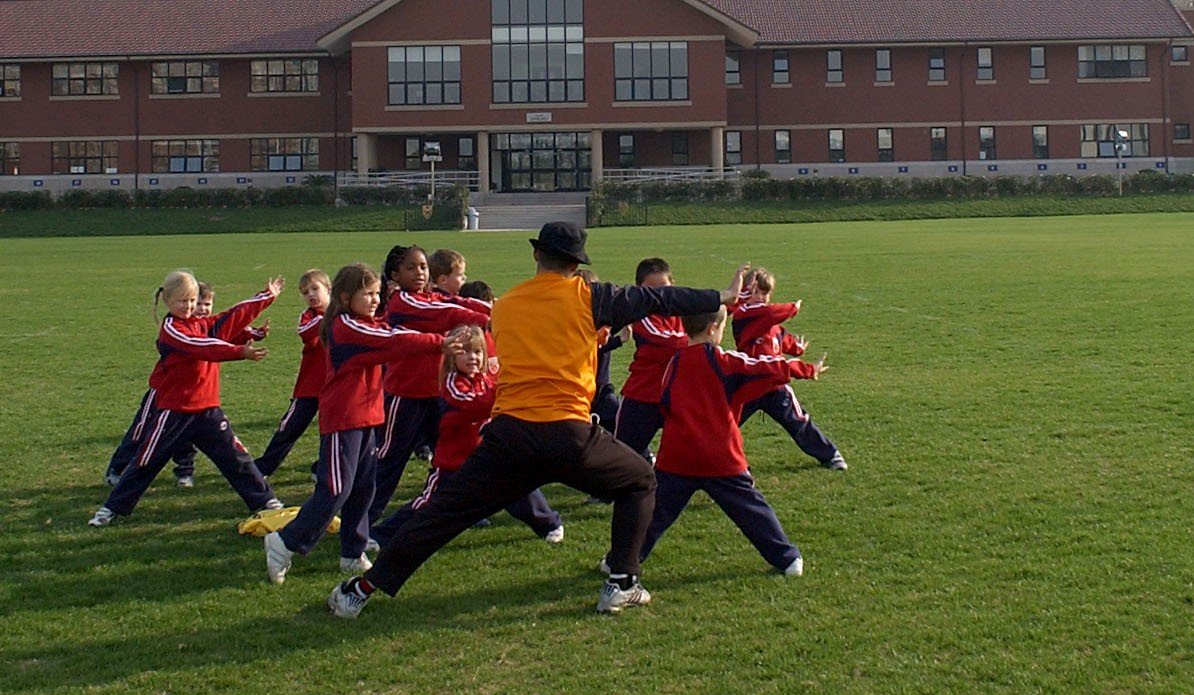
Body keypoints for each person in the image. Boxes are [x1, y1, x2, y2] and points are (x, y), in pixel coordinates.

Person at [327, 221, 745, 619]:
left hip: (509, 436)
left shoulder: (506, 305)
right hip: (569, 434)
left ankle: (359, 591)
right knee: (640, 480)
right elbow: (658, 300)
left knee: (442, 516)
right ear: (575, 265)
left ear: (538, 258)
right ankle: (622, 581)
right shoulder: (590, 296)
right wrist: (722, 297)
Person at [262, 264, 457, 583]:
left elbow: (394, 330)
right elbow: (394, 339)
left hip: (367, 417)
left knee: (364, 487)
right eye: (367, 294)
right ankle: (285, 541)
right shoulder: (346, 327)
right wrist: (441, 341)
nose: (375, 300)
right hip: (343, 419)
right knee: (335, 488)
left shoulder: (365, 322)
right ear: (344, 296)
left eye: (377, 293)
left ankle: (352, 552)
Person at [602, 305, 825, 577]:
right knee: (752, 510)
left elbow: (665, 400)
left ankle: (618, 561)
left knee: (654, 515)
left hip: (677, 456)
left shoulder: (673, 362)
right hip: (722, 457)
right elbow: (762, 367)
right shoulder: (724, 361)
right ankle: (787, 558)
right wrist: (804, 369)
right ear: (712, 329)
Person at [88, 272, 284, 526]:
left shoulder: (202, 323)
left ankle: (266, 501)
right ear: (168, 301)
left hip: (207, 410)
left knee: (236, 457)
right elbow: (201, 347)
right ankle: (111, 509)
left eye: (192, 300)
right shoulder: (172, 330)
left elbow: (232, 316)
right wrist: (239, 352)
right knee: (146, 461)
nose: (190, 306)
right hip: (175, 411)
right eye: (183, 301)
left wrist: (266, 296)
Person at [375, 324, 564, 546]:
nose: (472, 357)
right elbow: (473, 404)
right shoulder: (451, 383)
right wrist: (505, 393)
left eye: (477, 351)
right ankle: (382, 534)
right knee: (429, 504)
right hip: (455, 463)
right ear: (451, 356)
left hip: (488, 457)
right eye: (464, 352)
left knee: (518, 485)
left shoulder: (485, 381)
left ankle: (549, 524)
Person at [368, 246, 491, 525]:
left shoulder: (431, 296)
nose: (420, 273)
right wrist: (491, 319)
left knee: (454, 456)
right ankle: (363, 519)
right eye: (411, 268)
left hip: (438, 394)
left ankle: (460, 509)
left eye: (423, 267)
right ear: (395, 274)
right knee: (390, 460)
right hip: (406, 395)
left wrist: (500, 309)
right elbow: (447, 312)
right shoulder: (403, 302)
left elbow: (460, 303)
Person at [102, 280, 236, 489]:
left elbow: (223, 337)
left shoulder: (203, 326)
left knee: (187, 433)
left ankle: (184, 471)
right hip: (162, 390)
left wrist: (252, 333)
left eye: (205, 304)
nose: (201, 309)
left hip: (186, 395)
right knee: (141, 431)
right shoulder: (177, 328)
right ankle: (118, 469)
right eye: (196, 303)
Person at [733, 267, 847, 471]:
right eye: (754, 292)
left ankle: (830, 455)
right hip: (748, 385)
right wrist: (793, 308)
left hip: (776, 386)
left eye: (764, 293)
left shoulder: (772, 324)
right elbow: (769, 314)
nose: (760, 297)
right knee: (725, 426)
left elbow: (782, 339)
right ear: (744, 292)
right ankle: (707, 463)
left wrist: (798, 348)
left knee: (799, 421)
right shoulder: (744, 316)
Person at [254, 270, 330, 479]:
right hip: (309, 385)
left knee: (330, 432)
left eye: (315, 289)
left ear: (328, 289)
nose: (311, 295)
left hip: (334, 386)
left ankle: (322, 468)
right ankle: (263, 468)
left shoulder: (345, 314)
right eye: (305, 292)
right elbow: (305, 332)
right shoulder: (309, 316)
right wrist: (330, 317)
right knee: (289, 429)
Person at [613, 257, 692, 460]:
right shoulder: (641, 313)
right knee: (623, 453)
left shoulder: (681, 310)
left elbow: (708, 316)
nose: (660, 295)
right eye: (651, 289)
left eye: (664, 287)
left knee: (698, 445)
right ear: (638, 289)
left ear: (672, 285)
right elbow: (668, 342)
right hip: (643, 394)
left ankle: (734, 474)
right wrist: (699, 339)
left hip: (677, 395)